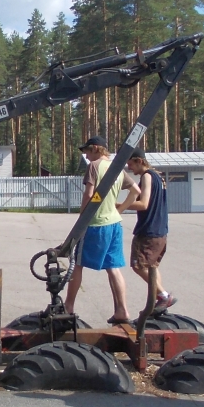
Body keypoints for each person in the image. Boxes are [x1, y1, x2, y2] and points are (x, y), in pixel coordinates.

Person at [64, 136, 137, 324]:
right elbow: (135, 191)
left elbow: (89, 195)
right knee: (113, 267)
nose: (86, 156)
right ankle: (122, 310)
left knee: (76, 264)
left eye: (87, 151)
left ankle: (69, 306)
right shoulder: (117, 168)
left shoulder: (94, 166)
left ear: (96, 148)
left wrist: (82, 220)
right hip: (114, 225)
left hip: (95, 224)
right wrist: (119, 210)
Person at [118, 147, 175, 312]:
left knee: (139, 266)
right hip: (160, 231)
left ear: (139, 161)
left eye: (131, 164)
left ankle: (163, 296)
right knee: (152, 267)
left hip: (148, 231)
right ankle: (159, 301)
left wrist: (117, 205)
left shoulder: (147, 176)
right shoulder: (158, 176)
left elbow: (144, 204)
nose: (129, 168)